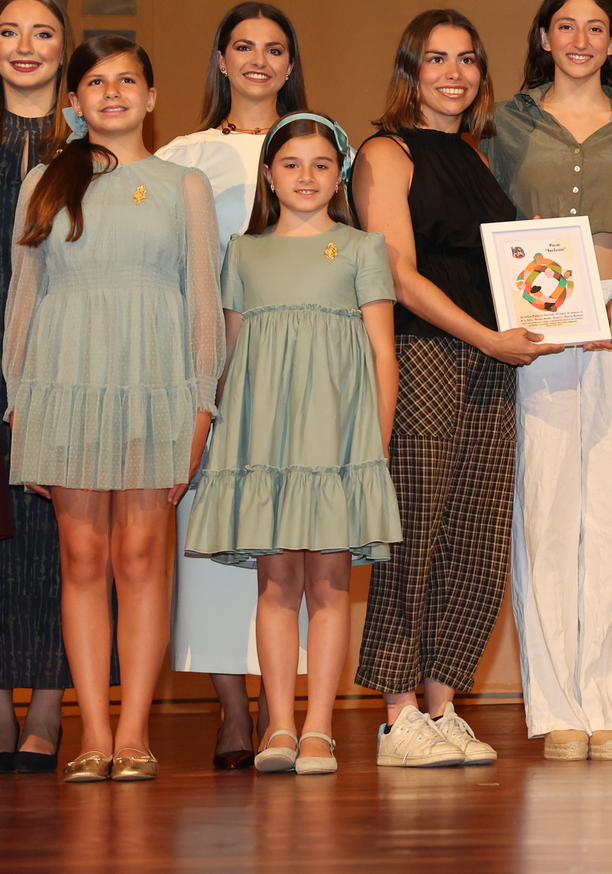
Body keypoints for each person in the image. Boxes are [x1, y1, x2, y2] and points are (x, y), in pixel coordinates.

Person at [6, 36, 224, 781]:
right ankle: (93, 733)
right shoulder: (44, 181)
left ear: (151, 97)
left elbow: (204, 301)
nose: (112, 93)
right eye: (96, 82)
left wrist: (201, 408)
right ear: (74, 101)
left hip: (155, 390)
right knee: (82, 560)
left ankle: (134, 734)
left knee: (138, 560)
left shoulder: (183, 185)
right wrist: (19, 404)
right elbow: (24, 299)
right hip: (64, 389)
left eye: (127, 80)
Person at [352, 9, 560, 768]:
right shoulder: (387, 151)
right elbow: (398, 274)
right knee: (412, 532)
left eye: (467, 59)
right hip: (424, 356)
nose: (454, 73)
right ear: (410, 70)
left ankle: (442, 707)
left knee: (476, 537)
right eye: (436, 59)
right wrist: (485, 337)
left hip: (490, 360)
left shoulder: (476, 156)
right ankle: (397, 713)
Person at [492, 0, 612, 761]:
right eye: (565, 26)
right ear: (543, 36)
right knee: (544, 504)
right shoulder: (506, 122)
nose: (579, 40)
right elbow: (486, 217)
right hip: (533, 317)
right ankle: (557, 706)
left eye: (595, 28)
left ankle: (611, 701)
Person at [187, 113, 399, 775]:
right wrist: (218, 436)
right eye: (291, 164)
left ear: (340, 176)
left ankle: (318, 730)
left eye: (321, 165)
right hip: (265, 442)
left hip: (338, 441)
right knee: (276, 582)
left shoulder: (363, 248)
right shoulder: (244, 252)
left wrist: (374, 448)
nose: (306, 177)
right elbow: (227, 353)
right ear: (269, 176)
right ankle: (278, 724)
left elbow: (382, 353)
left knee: (330, 584)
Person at [157, 0, 309, 770]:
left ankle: (286, 710)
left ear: (290, 64)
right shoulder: (183, 155)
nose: (258, 60)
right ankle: (232, 711)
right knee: (213, 536)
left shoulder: (319, 145)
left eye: (273, 48)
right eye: (243, 46)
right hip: (211, 360)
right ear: (220, 59)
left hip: (300, 361)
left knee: (294, 531)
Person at [0, 0, 71, 775]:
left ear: (64, 48)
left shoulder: (90, 146)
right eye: (10, 32)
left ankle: (48, 707)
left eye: (42, 32)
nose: (25, 46)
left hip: (68, 363)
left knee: (60, 540)